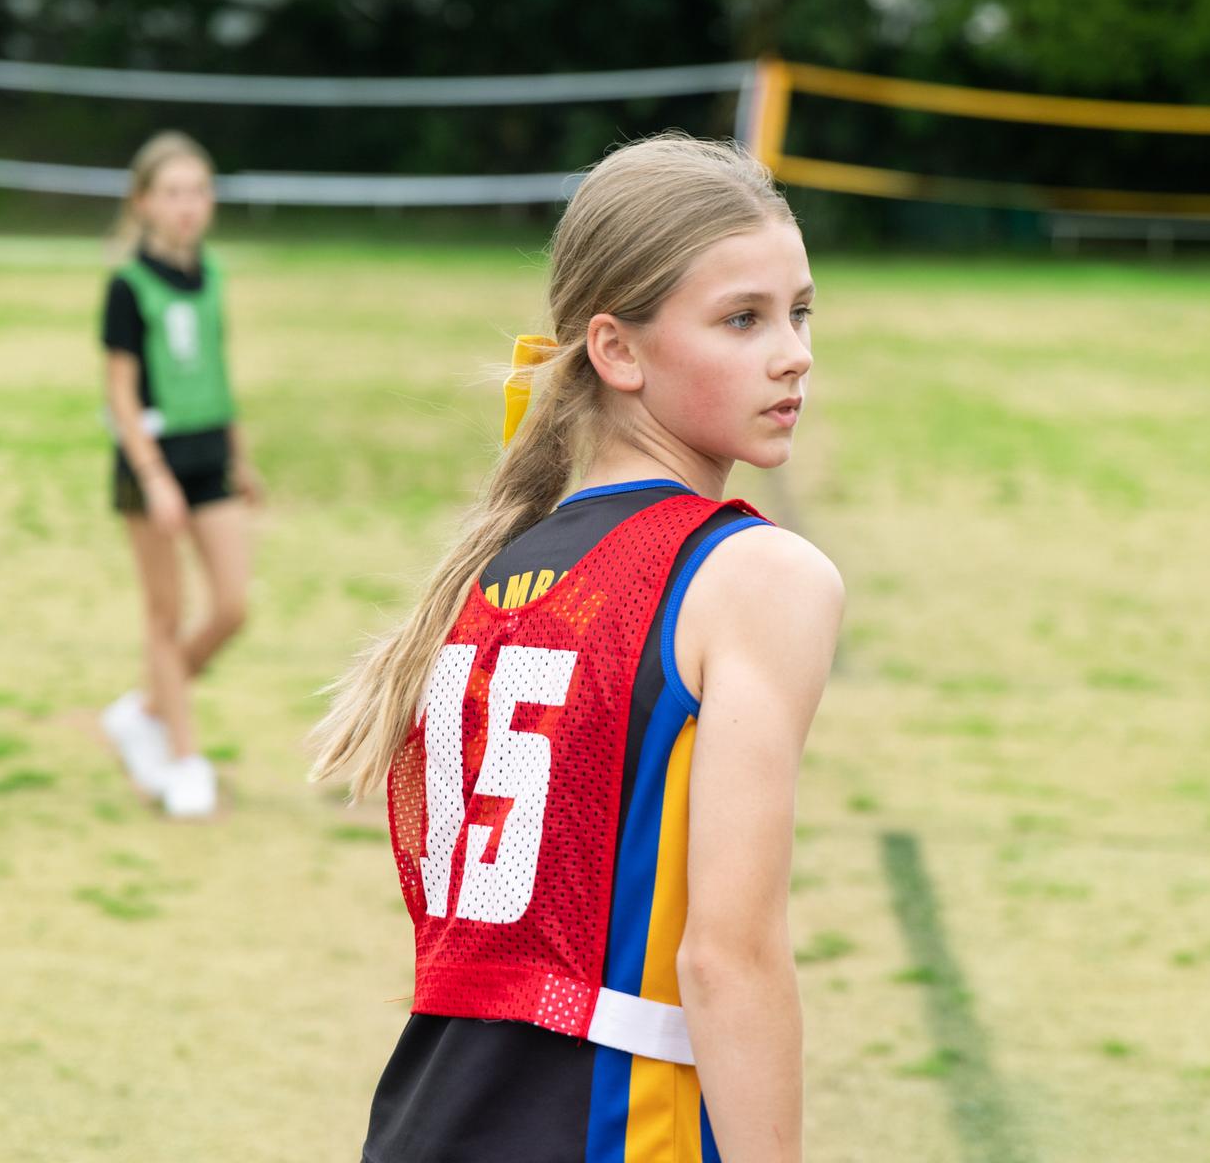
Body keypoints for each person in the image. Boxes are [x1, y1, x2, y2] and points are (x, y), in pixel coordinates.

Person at [310, 133, 843, 1162]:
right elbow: (728, 960)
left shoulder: (492, 572)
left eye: (800, 310)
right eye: (742, 318)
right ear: (617, 350)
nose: (793, 352)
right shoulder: (754, 578)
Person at [95, 131, 262, 821]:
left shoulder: (211, 275)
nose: (188, 205)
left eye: (198, 191)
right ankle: (185, 758)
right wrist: (154, 476)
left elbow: (217, 371)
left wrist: (240, 456)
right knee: (164, 616)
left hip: (209, 456)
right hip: (153, 465)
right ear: (143, 203)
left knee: (231, 608)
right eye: (172, 193)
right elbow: (120, 395)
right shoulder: (127, 287)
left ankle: (144, 711)